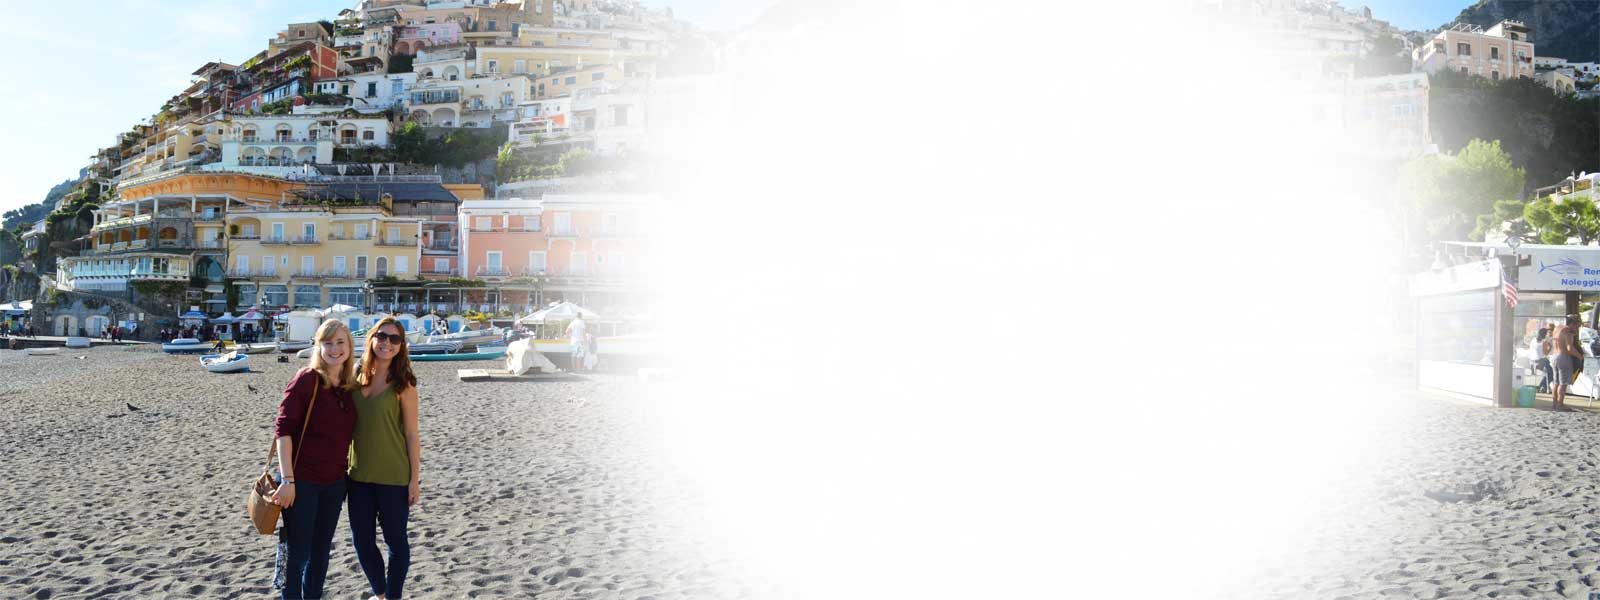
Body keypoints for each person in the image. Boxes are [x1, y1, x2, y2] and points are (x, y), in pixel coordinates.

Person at [270, 319, 357, 599]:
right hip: (301, 481)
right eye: (327, 343)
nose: (334, 349)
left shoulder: (349, 386)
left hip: (334, 483)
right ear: (318, 346)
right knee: (298, 555)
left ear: (349, 346)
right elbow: (283, 431)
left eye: (340, 342)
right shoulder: (307, 379)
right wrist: (288, 480)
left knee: (320, 556)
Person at [347, 316, 422, 600]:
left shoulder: (404, 384)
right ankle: (380, 594)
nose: (387, 343)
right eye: (381, 336)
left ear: (401, 345)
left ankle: (393, 597)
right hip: (358, 476)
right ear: (371, 339)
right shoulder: (356, 375)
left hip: (394, 476)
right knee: (362, 542)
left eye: (394, 339)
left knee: (396, 543)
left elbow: (412, 435)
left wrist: (414, 480)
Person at [1553, 325, 1583, 411]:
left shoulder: (1557, 329)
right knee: (1563, 383)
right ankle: (1560, 404)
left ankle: (1555, 403)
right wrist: (1580, 356)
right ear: (1573, 324)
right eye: (1577, 326)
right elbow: (1570, 349)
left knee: (1556, 382)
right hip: (1563, 357)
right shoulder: (1567, 332)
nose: (1577, 328)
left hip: (1555, 356)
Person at [1532, 328, 1554, 394]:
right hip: (1541, 361)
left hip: (1533, 361)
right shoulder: (1544, 341)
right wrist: (1550, 347)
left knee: (1547, 372)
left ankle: (1543, 387)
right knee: (1552, 373)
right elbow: (1546, 353)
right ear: (1545, 334)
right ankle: (1542, 387)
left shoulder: (1534, 340)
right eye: (1547, 333)